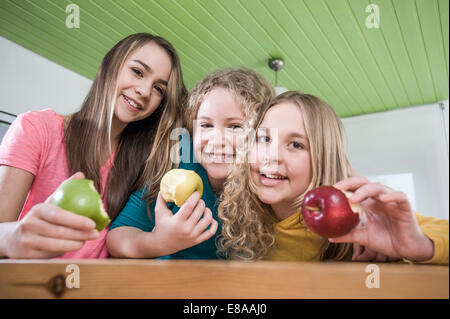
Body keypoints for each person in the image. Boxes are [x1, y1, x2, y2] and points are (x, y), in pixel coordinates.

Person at [0, 33, 187, 259]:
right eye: (137, 72)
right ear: (110, 66)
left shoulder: (143, 164)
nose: (145, 91)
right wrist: (14, 235)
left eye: (158, 89)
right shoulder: (36, 128)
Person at [217, 91, 449, 264]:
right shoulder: (242, 212)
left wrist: (420, 246)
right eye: (264, 139)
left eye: (296, 144)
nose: (271, 156)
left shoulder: (357, 213)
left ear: (323, 159)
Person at [107, 67, 275, 259]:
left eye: (235, 126)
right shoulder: (179, 163)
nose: (216, 140)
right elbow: (118, 236)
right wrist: (160, 242)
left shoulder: (270, 181)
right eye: (206, 125)